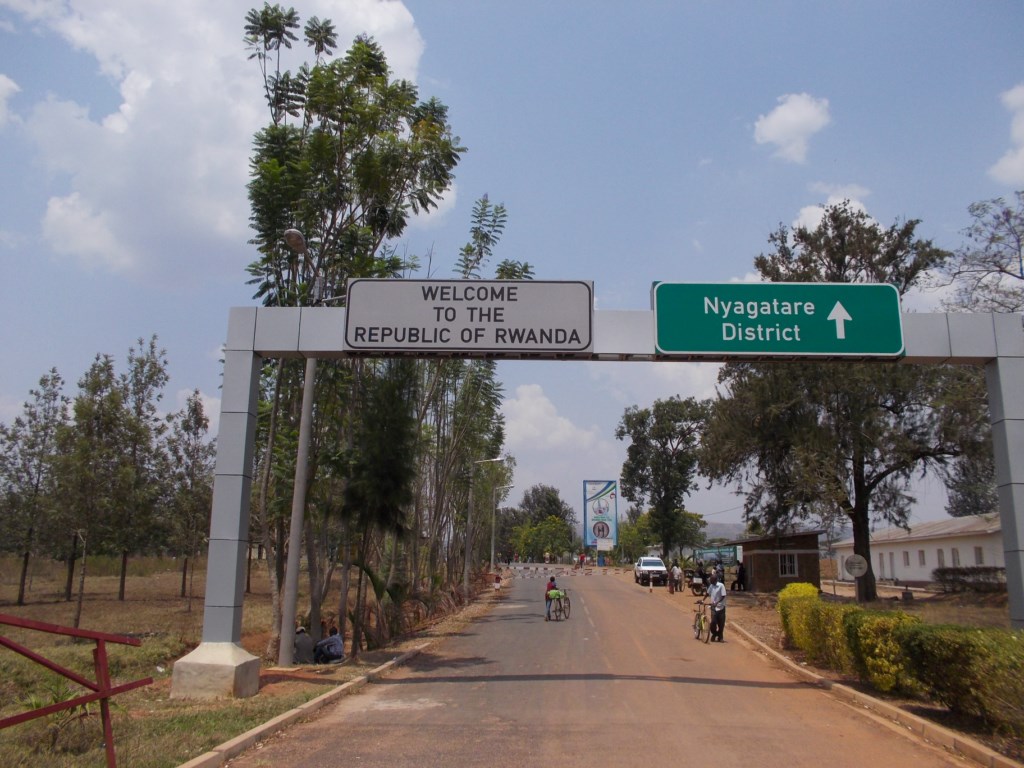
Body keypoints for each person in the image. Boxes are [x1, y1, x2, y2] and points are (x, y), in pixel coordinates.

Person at [707, 571, 727, 642]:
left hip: (721, 607)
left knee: (721, 624)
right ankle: (715, 634)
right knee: (713, 623)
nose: (710, 581)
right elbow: (707, 593)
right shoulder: (711, 586)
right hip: (713, 608)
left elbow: (723, 595)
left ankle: (720, 637)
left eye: (711, 580)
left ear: (715, 580)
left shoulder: (721, 586)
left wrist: (717, 602)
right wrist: (702, 600)